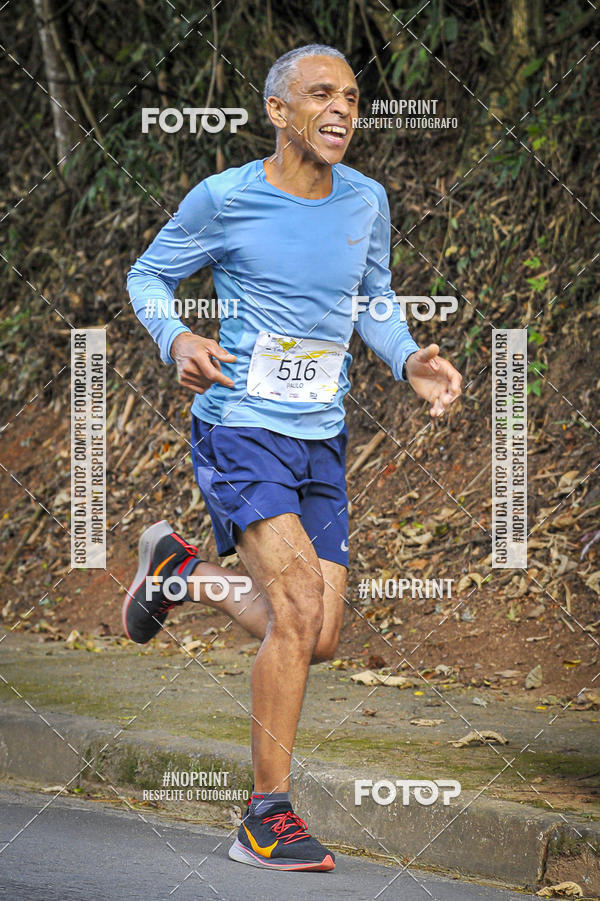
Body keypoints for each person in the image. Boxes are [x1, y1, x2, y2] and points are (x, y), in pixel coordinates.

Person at [123, 43, 462, 872]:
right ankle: (263, 815)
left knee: (317, 634)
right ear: (280, 111)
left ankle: (180, 574)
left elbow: (372, 297)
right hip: (240, 423)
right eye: (321, 94)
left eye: (351, 95)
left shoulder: (367, 199)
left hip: (322, 431)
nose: (342, 108)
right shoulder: (226, 198)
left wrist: (407, 356)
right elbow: (149, 276)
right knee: (301, 600)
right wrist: (177, 337)